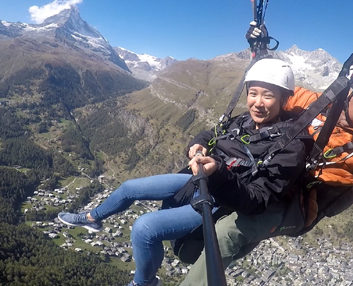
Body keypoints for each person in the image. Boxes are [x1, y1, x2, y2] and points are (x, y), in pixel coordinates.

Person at [58, 58, 310, 286]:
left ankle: (144, 283)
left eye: (267, 96)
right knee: (129, 187)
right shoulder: (244, 121)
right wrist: (197, 143)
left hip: (219, 197)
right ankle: (93, 218)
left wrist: (219, 173)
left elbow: (257, 199)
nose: (258, 103)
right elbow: (213, 133)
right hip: (200, 177)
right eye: (253, 93)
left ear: (284, 99)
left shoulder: (291, 145)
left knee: (144, 229)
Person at [179, 55, 353, 286]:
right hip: (271, 181)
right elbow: (274, 91)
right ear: (348, 94)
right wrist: (260, 54)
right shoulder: (317, 103)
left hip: (294, 208)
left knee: (226, 234)